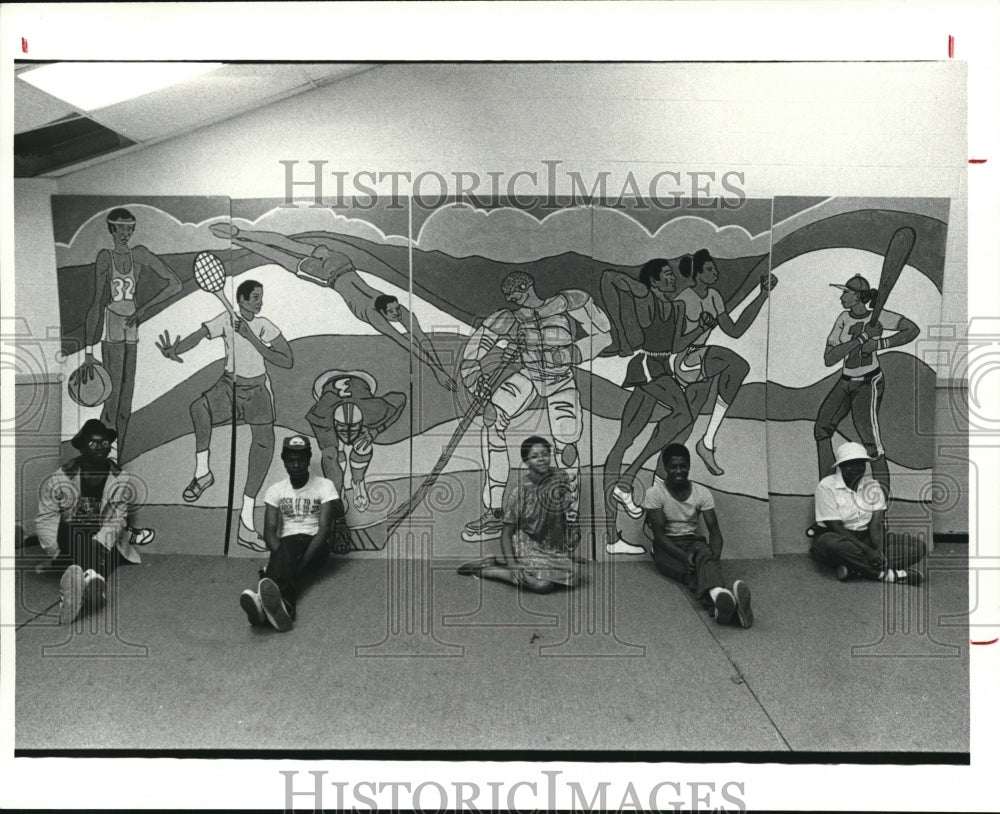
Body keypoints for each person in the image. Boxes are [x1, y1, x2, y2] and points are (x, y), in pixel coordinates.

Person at [209, 224, 456, 391]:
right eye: (392, 313)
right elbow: (408, 342)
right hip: (329, 276)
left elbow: (420, 339)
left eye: (395, 312)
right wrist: (438, 371)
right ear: (383, 311)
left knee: (286, 247)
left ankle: (239, 233)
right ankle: (238, 237)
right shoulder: (374, 315)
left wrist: (440, 370)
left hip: (341, 263)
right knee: (282, 256)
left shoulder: (398, 310)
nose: (396, 315)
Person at [460, 270, 611, 543]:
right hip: (530, 376)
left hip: (560, 380)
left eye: (515, 292)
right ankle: (494, 512)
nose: (512, 298)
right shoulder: (509, 319)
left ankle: (569, 517)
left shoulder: (568, 303)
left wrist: (571, 353)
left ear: (527, 286)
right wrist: (476, 382)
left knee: (566, 447)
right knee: (492, 420)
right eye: (509, 295)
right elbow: (472, 354)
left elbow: (605, 335)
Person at [155, 279, 293, 551]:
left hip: (257, 391)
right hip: (228, 385)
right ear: (241, 300)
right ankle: (203, 474)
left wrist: (252, 337)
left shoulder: (264, 325)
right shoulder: (226, 319)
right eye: (254, 297)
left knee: (264, 447)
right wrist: (175, 351)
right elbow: (199, 334)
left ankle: (246, 524)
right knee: (199, 408)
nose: (259, 302)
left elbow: (287, 359)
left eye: (260, 297)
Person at [600, 258, 711, 554]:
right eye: (666, 275)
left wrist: (700, 329)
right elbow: (608, 277)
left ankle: (612, 537)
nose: (672, 279)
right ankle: (627, 480)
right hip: (647, 366)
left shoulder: (675, 308)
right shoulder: (642, 294)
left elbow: (675, 345)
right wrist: (621, 334)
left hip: (661, 365)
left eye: (672, 275)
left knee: (625, 438)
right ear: (653, 279)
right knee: (683, 413)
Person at [79, 208, 182, 460]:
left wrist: (144, 308)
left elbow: (175, 284)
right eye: (120, 228)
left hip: (132, 331)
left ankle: (117, 456)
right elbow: (95, 304)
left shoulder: (140, 254)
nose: (125, 233)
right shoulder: (106, 257)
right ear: (111, 230)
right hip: (112, 330)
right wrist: (89, 352)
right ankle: (104, 456)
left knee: (126, 404)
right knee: (112, 402)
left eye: (129, 228)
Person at [34, 419, 154, 625]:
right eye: (93, 443)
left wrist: (99, 542)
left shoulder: (121, 478)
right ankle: (94, 582)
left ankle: (77, 584)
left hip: (104, 538)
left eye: (105, 443)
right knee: (79, 538)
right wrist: (55, 551)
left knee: (98, 550)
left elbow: (117, 519)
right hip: (69, 535)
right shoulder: (60, 478)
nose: (101, 447)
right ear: (81, 447)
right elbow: (46, 517)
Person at [814, 273, 920, 497]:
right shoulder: (843, 318)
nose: (842, 296)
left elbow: (912, 330)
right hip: (846, 380)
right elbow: (829, 358)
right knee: (822, 429)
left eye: (846, 292)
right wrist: (861, 340)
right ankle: (830, 495)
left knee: (872, 446)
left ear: (858, 297)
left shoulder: (879, 316)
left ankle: (881, 505)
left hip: (868, 382)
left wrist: (880, 343)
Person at [674, 249, 776, 476]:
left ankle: (707, 442)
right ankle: (707, 442)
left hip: (698, 358)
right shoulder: (683, 300)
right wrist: (700, 328)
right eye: (710, 269)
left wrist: (762, 295)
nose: (716, 273)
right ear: (698, 274)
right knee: (735, 364)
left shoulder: (714, 297)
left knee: (739, 366)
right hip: (682, 360)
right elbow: (673, 343)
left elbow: (735, 330)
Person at [642, 443, 753, 628]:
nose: (679, 471)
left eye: (683, 466)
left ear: (689, 466)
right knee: (691, 572)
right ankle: (725, 602)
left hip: (693, 542)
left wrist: (712, 560)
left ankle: (722, 605)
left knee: (703, 559)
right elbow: (660, 536)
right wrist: (686, 557)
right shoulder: (654, 493)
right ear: (665, 468)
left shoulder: (702, 493)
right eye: (673, 467)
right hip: (666, 547)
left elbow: (715, 532)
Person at [239, 435, 344, 632]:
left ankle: (263, 600)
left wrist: (296, 566)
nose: (296, 465)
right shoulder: (275, 490)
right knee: (287, 545)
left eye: (301, 460)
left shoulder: (324, 486)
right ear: (284, 460)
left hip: (316, 549)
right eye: (291, 460)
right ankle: (282, 609)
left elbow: (324, 531)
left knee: (290, 546)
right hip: (285, 549)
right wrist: (284, 557)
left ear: (308, 459)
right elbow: (269, 532)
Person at [456, 436, 580, 592]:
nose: (541, 459)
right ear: (527, 462)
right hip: (525, 543)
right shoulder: (520, 492)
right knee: (543, 585)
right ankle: (487, 570)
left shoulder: (560, 477)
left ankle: (500, 563)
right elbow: (506, 534)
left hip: (549, 545)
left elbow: (563, 508)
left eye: (544, 454)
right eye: (535, 456)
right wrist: (513, 566)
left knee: (574, 576)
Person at [811, 441, 925, 584]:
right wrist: (868, 551)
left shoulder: (872, 485)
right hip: (839, 538)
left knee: (917, 547)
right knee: (832, 544)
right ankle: (887, 576)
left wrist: (878, 550)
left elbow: (876, 523)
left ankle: (855, 568)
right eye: (850, 463)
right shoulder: (826, 486)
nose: (857, 468)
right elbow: (836, 526)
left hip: (867, 538)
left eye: (861, 463)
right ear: (841, 466)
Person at [305, 368, 406, 513]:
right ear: (332, 423)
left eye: (353, 429)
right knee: (333, 452)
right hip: (331, 392)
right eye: (342, 429)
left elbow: (400, 399)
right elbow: (329, 456)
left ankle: (358, 481)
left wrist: (375, 430)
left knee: (363, 445)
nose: (348, 436)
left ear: (364, 420)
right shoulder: (321, 418)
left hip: (359, 390)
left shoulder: (374, 410)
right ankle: (339, 494)